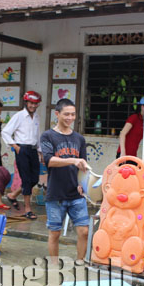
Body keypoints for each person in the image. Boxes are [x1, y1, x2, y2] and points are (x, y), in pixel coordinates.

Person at [40, 98, 89, 259]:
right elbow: (49, 160)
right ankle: (54, 268)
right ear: (57, 114)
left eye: (73, 114)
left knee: (84, 231)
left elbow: (83, 166)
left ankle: (80, 264)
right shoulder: (48, 136)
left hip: (76, 193)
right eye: (66, 114)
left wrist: (83, 184)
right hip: (56, 194)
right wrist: (73, 160)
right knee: (55, 234)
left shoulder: (79, 139)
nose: (70, 118)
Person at [1, 90, 42, 220]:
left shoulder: (36, 117)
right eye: (31, 103)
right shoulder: (19, 116)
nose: (33, 106)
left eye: (36, 104)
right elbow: (6, 132)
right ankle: (28, 209)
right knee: (26, 179)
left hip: (33, 150)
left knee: (34, 179)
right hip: (22, 150)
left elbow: (38, 136)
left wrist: (40, 152)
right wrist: (15, 146)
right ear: (26, 102)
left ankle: (13, 195)